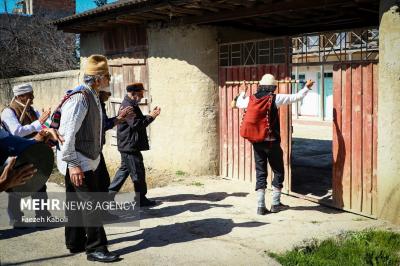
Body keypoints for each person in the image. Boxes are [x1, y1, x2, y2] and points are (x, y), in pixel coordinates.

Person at [57, 54, 119, 262]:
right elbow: (67, 135)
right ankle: (95, 248)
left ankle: (74, 242)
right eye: (107, 76)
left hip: (86, 159)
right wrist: (73, 165)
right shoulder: (79, 98)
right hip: (78, 160)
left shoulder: (92, 95)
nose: (109, 80)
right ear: (98, 78)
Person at [236, 74, 314, 215]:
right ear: (273, 87)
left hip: (257, 143)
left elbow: (238, 103)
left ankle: (260, 207)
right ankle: (276, 204)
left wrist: (243, 90)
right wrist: (306, 87)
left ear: (260, 86)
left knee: (261, 173)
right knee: (278, 171)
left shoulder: (250, 99)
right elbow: (296, 97)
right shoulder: (275, 98)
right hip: (271, 143)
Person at [1, 83, 52, 225]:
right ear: (20, 96)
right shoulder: (8, 112)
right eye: (29, 95)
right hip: (17, 154)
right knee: (16, 186)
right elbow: (16, 132)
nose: (33, 97)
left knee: (40, 184)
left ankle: (43, 216)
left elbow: (44, 124)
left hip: (34, 152)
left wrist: (46, 124)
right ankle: (16, 218)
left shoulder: (32, 110)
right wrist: (38, 123)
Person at [108, 83, 161, 207]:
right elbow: (136, 125)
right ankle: (140, 199)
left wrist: (149, 116)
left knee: (124, 171)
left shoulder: (131, 104)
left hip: (128, 144)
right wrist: (151, 117)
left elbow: (137, 121)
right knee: (138, 172)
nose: (142, 96)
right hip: (129, 146)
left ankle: (108, 197)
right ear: (133, 93)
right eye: (140, 93)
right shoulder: (128, 106)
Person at [96, 86, 133, 193]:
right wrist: (118, 119)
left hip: (96, 148)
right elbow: (103, 125)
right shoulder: (97, 105)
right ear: (101, 93)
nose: (110, 95)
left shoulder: (100, 105)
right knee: (101, 181)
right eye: (108, 93)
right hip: (92, 150)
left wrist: (119, 118)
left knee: (103, 180)